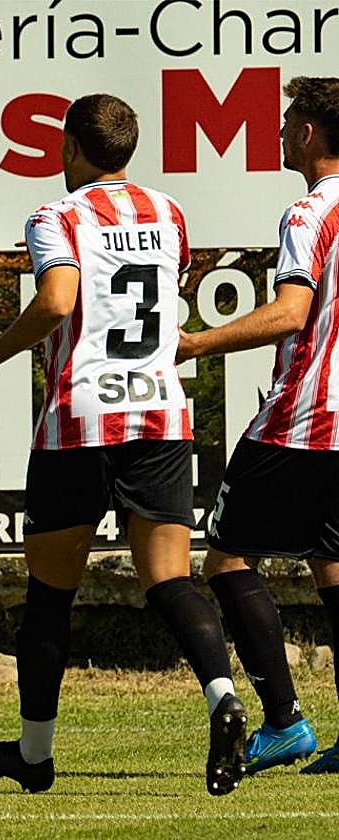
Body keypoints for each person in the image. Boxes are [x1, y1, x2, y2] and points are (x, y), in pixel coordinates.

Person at [0, 94, 246, 795]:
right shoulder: (168, 212)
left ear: (69, 148)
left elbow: (59, 300)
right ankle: (223, 697)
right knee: (170, 580)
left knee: (50, 594)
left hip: (81, 417)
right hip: (159, 412)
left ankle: (34, 752)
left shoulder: (55, 215)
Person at [178, 76, 339, 775]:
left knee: (226, 559)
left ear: (308, 133)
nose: (277, 133)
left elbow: (291, 314)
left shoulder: (309, 214)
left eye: (285, 122)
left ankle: (283, 723)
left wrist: (196, 343)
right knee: (330, 564)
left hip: (303, 420)